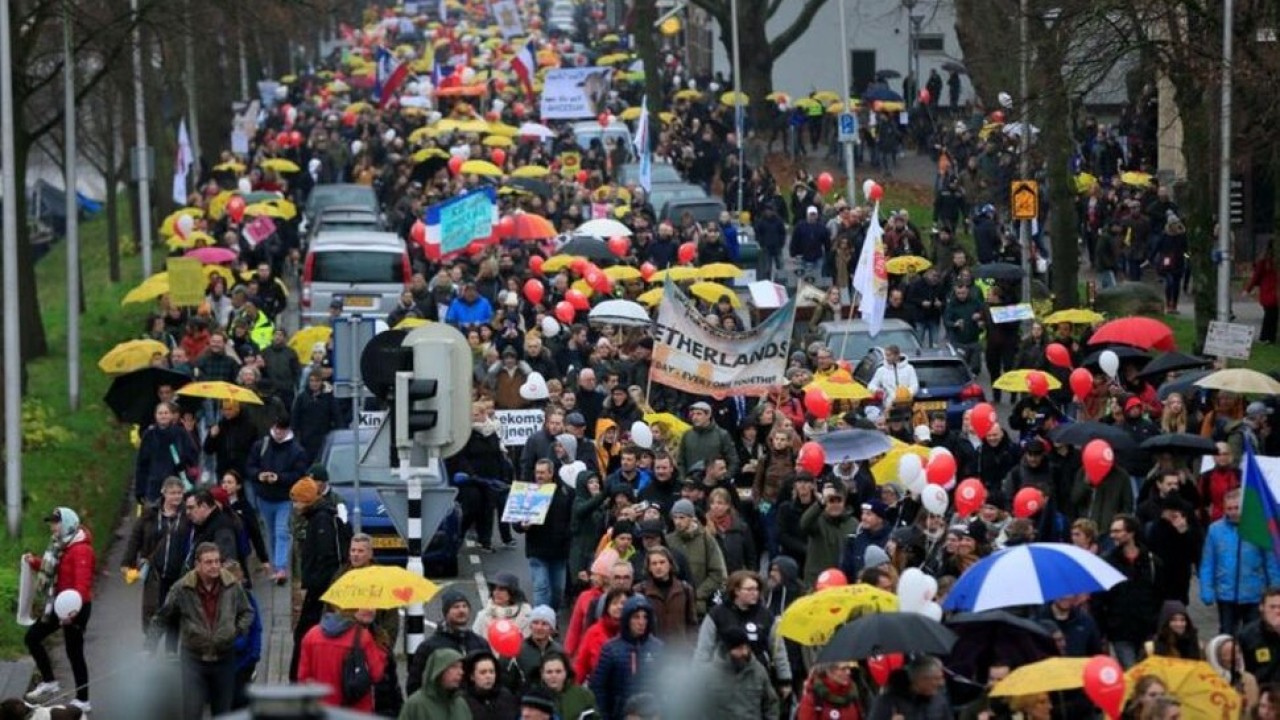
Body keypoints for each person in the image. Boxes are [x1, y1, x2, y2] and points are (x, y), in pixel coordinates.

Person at [144, 542, 254, 720]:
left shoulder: (232, 586)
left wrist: (236, 631)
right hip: (193, 660)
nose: (215, 566)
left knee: (223, 713)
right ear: (197, 564)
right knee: (192, 712)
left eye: (217, 561)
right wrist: (149, 647)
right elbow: (161, 618)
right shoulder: (182, 588)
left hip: (224, 658)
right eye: (209, 562)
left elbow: (247, 612)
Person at [22, 508, 95, 713]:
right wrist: (34, 562)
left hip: (75, 607)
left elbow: (82, 585)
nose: (52, 526)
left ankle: (83, 699)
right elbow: (54, 570)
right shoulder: (61, 545)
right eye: (51, 523)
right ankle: (49, 681)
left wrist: (72, 613)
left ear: (68, 524)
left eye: (56, 523)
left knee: (74, 652)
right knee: (32, 637)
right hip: (58, 603)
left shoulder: (81, 550)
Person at [288, 476, 350, 681]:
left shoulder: (320, 520)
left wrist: (313, 586)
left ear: (306, 500)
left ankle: (298, 677)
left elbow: (324, 557)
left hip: (320, 589)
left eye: (296, 500)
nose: (294, 505)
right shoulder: (318, 517)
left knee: (304, 634)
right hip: (319, 587)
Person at [694, 571, 792, 696]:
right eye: (749, 589)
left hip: (758, 680)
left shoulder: (766, 615)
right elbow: (704, 650)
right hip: (724, 679)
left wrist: (785, 680)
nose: (754, 593)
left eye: (756, 589)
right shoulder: (717, 614)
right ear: (736, 591)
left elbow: (778, 651)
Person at [1200, 489, 1280, 636]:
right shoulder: (1215, 530)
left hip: (1254, 594)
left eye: (1237, 508)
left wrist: (1276, 588)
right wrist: (1206, 589)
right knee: (1227, 634)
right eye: (1229, 509)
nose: (1233, 512)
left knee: (1255, 634)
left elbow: (1271, 563)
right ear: (1224, 509)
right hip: (1226, 595)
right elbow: (1208, 562)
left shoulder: (1258, 528)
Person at [122, 476, 190, 632]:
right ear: (163, 493)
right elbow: (135, 538)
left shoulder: (187, 515)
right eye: (172, 493)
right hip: (154, 571)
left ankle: (171, 651)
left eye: (179, 493)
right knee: (152, 609)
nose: (177, 497)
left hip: (178, 571)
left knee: (175, 609)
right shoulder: (149, 514)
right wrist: (127, 562)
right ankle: (150, 647)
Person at [1098, 514, 1163, 668]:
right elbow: (1100, 599)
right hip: (1121, 630)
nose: (1113, 535)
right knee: (1131, 671)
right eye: (1112, 531)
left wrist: (1157, 625)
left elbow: (1160, 595)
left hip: (1147, 629)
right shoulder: (1107, 562)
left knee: (1147, 673)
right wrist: (1104, 630)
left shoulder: (1152, 561)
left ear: (1131, 532)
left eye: (1117, 531)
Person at [297, 608, 389, 712]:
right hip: (355, 711)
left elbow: (303, 678)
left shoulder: (311, 635)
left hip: (321, 708)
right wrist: (381, 650)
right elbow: (377, 674)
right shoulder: (363, 636)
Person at [514, 458, 575, 610]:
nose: (539, 476)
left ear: (551, 473)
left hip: (559, 552)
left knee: (557, 591)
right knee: (541, 587)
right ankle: (541, 621)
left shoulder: (565, 493)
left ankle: (552, 619)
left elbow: (573, 520)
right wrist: (523, 526)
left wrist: (566, 536)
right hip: (537, 550)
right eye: (537, 472)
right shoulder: (527, 492)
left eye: (542, 472)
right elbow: (516, 521)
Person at [406, 587, 490, 696]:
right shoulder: (430, 647)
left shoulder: (479, 643)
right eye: (456, 607)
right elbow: (415, 684)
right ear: (446, 612)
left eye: (464, 606)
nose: (461, 610)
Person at [590, 595, 664, 720]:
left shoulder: (657, 648)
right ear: (627, 619)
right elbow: (598, 687)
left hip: (650, 714)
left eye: (645, 617)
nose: (641, 622)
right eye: (636, 617)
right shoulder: (611, 649)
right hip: (620, 715)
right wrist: (604, 715)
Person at [664, 498, 728, 617]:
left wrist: (696, 594)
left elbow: (717, 574)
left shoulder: (706, 539)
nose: (677, 522)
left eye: (682, 517)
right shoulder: (668, 540)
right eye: (675, 517)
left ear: (692, 517)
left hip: (699, 607)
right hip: (673, 606)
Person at [704, 626, 781, 720]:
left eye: (746, 647)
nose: (744, 652)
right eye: (739, 648)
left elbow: (771, 705)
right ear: (727, 650)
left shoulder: (758, 672)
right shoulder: (709, 675)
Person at [134, 401, 198, 503]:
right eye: (160, 413)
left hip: (176, 483)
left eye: (166, 413)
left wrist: (183, 463)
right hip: (155, 485)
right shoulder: (149, 435)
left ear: (172, 415)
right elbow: (142, 464)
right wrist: (140, 489)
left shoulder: (180, 433)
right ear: (155, 416)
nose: (163, 416)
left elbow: (193, 455)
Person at [633, 547, 698, 647]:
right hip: (651, 651)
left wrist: (691, 646)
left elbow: (692, 623)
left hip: (680, 651)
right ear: (649, 567)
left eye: (662, 562)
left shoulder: (685, 589)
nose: (658, 567)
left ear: (670, 564)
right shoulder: (640, 591)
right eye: (654, 563)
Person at [800, 482, 859, 586]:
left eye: (839, 501)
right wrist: (820, 503)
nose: (835, 505)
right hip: (818, 580)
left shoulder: (853, 523)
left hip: (843, 580)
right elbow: (804, 523)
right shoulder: (817, 520)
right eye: (831, 501)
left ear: (844, 502)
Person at [866, 654, 950, 719]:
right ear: (920, 679)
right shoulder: (886, 702)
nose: (941, 683)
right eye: (936, 679)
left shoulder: (939, 700)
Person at [399, 647, 471, 720]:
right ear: (439, 670)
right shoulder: (416, 705)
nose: (460, 672)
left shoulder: (461, 704)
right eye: (454, 667)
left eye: (461, 667)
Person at [514, 605, 564, 690]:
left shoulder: (559, 651)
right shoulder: (518, 650)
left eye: (544, 624)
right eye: (535, 622)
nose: (539, 627)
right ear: (530, 626)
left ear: (552, 629)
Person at [535, 651, 596, 720]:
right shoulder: (534, 698)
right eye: (549, 672)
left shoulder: (584, 695)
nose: (554, 676)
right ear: (542, 674)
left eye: (558, 671)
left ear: (566, 672)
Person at [472, 571, 533, 639]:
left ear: (512, 592)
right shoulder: (483, 616)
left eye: (502, 589)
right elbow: (474, 641)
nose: (496, 592)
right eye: (494, 589)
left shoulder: (527, 615)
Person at [461, 649, 519, 720]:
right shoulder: (462, 701)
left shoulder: (506, 696)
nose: (488, 676)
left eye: (491, 672)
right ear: (472, 676)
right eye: (483, 672)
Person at [1240, 589, 1280, 684]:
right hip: (1260, 689)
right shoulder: (1247, 635)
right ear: (1262, 608)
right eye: (1272, 607)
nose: (1277, 611)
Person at [796, 664, 862, 720]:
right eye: (843, 668)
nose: (848, 672)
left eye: (848, 667)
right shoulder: (812, 699)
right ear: (829, 671)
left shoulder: (852, 694)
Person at [865, 345, 920, 410]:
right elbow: (871, 385)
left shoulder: (909, 368)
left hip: (906, 406)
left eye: (889, 355)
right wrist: (879, 391)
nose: (886, 358)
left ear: (897, 355)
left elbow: (914, 385)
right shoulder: (881, 370)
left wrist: (906, 393)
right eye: (886, 355)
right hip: (888, 407)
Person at [1246, 243, 1278, 345]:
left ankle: (1267, 337)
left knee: (1270, 315)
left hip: (1269, 292)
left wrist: (1248, 289)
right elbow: (1256, 277)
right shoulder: (1265, 262)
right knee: (1271, 316)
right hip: (1271, 292)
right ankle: (1267, 337)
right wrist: (1248, 289)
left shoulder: (1264, 262)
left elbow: (1256, 277)